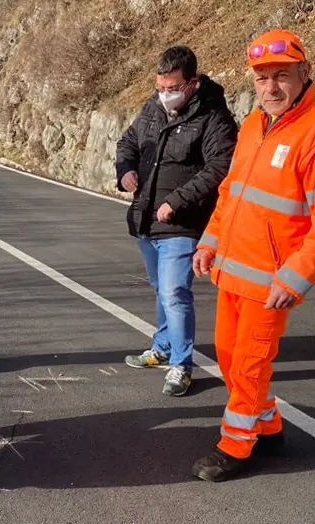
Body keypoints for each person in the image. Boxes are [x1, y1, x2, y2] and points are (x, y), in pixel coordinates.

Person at [192, 29, 315, 482]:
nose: (270, 87)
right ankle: (267, 426)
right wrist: (210, 240)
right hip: (232, 270)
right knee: (228, 356)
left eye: (281, 75)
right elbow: (230, 193)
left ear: (305, 73)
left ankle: (235, 447)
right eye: (262, 77)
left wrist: (295, 277)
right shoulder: (253, 124)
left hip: (271, 281)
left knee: (248, 363)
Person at [116, 46, 238, 396]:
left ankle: (182, 365)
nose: (165, 95)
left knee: (174, 292)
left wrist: (177, 201)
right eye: (160, 87)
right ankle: (163, 346)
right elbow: (128, 142)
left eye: (172, 88)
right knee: (161, 290)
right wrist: (124, 171)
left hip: (183, 223)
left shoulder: (214, 118)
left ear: (192, 84)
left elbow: (219, 168)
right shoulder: (153, 109)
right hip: (146, 219)